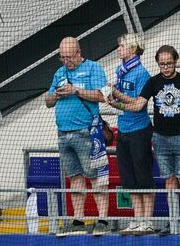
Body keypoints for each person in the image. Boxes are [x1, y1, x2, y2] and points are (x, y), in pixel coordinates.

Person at [110, 45, 180, 236]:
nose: (165, 67)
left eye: (168, 63)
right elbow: (138, 105)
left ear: (176, 61)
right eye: (162, 64)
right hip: (160, 138)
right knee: (169, 180)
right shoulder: (153, 82)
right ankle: (172, 219)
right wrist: (115, 102)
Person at [45, 37, 110, 236]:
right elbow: (47, 102)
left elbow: (103, 96)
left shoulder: (93, 69)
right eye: (62, 58)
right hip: (63, 134)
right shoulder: (59, 73)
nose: (66, 62)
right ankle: (78, 220)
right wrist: (56, 95)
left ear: (79, 52)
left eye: (70, 57)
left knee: (95, 176)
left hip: (86, 132)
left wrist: (76, 90)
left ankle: (103, 220)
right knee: (74, 177)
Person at [106, 33, 155, 235]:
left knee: (143, 176)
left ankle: (148, 220)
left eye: (122, 46)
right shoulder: (120, 71)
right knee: (129, 178)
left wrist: (117, 95)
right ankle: (136, 219)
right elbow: (123, 105)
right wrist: (113, 102)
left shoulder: (142, 74)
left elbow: (137, 105)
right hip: (123, 130)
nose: (118, 49)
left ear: (133, 49)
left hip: (140, 130)